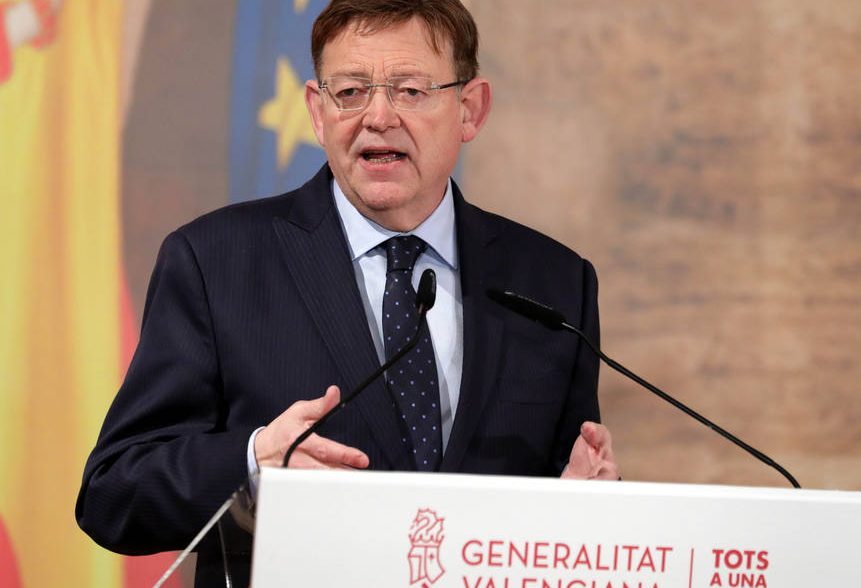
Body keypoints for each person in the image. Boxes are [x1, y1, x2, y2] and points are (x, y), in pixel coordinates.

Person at [77, 0, 619, 564]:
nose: (378, 117)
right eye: (351, 92)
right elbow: (113, 494)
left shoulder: (554, 283)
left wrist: (587, 506)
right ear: (318, 112)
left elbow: (566, 497)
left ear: (470, 109)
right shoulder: (216, 263)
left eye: (410, 90)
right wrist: (253, 463)